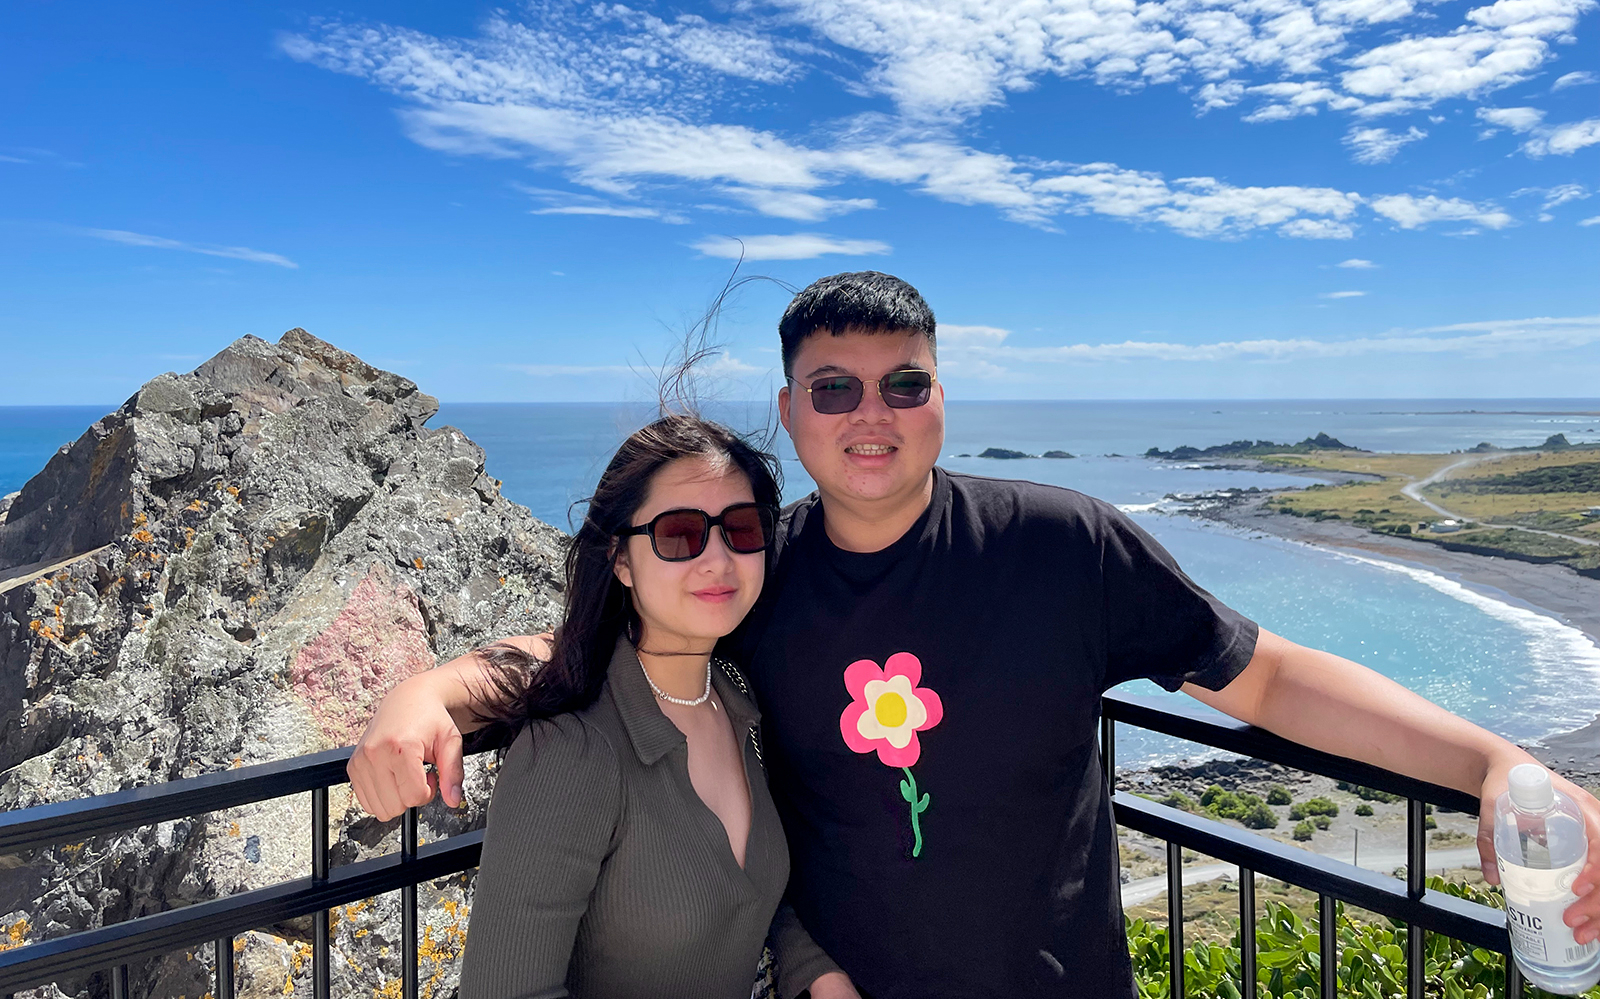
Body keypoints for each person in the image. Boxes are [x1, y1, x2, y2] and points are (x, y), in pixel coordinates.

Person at [350, 272, 1600, 999]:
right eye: (834, 389)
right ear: (791, 413)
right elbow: (611, 634)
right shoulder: (758, 568)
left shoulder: (1061, 544)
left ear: (942, 396)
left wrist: (1494, 764)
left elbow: (1267, 678)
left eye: (905, 382)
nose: (871, 414)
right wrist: (435, 688)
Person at [414, 413, 828, 998]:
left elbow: (748, 887)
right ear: (622, 560)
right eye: (679, 533)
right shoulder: (574, 751)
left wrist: (812, 967)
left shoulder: (738, 702)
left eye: (742, 529)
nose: (716, 558)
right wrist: (422, 690)